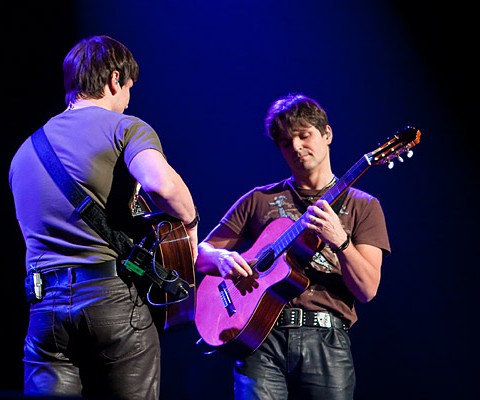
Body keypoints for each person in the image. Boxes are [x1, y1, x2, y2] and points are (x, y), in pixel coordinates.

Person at [8, 35, 199, 399]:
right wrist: (189, 224)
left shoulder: (23, 153)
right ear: (114, 80)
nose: (128, 100)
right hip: (109, 300)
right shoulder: (126, 128)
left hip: (45, 310)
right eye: (128, 89)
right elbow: (163, 185)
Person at [195, 93, 391, 399]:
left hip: (326, 341)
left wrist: (340, 240)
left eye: (304, 135)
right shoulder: (259, 199)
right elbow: (200, 253)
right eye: (287, 142)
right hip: (259, 339)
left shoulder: (363, 205)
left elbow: (367, 289)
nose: (297, 147)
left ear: (327, 134)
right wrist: (221, 258)